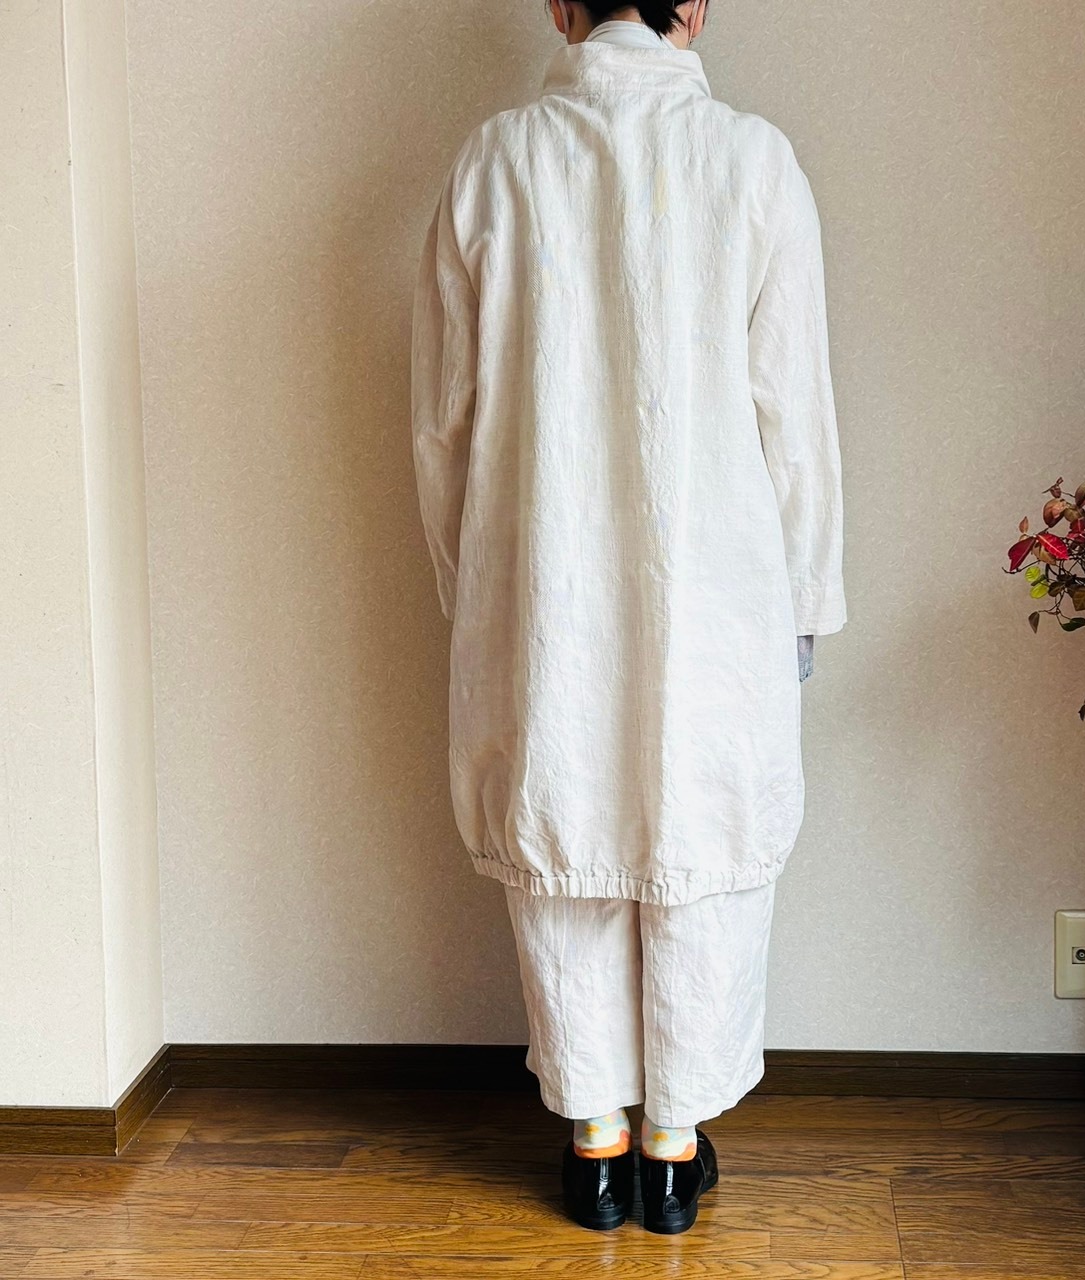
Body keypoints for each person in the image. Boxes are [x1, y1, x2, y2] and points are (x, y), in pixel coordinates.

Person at [411, 0, 846, 1235]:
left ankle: (593, 1140)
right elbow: (794, 415)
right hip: (718, 584)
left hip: (539, 575)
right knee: (701, 828)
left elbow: (442, 420)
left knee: (560, 819)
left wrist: (468, 582)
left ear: (559, 7)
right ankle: (671, 1142)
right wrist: (805, 595)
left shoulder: (491, 165)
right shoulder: (752, 161)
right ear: (693, 8)